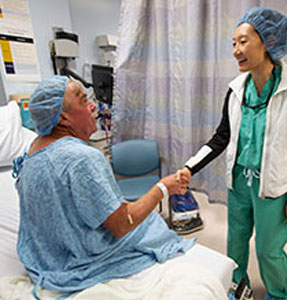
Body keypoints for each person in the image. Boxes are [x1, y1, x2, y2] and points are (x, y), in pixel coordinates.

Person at [12, 76, 198, 298]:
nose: (93, 105)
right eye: (83, 101)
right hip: (81, 262)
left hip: (46, 260)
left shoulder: (32, 151)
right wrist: (163, 187)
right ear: (63, 118)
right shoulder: (82, 159)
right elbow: (121, 225)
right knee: (153, 224)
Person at [177, 7, 287, 300]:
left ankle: (279, 294)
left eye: (243, 41)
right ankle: (238, 287)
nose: (236, 50)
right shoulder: (236, 89)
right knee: (236, 242)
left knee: (269, 249)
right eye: (233, 43)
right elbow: (221, 137)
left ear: (267, 42)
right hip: (240, 181)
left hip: (272, 186)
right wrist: (190, 167)